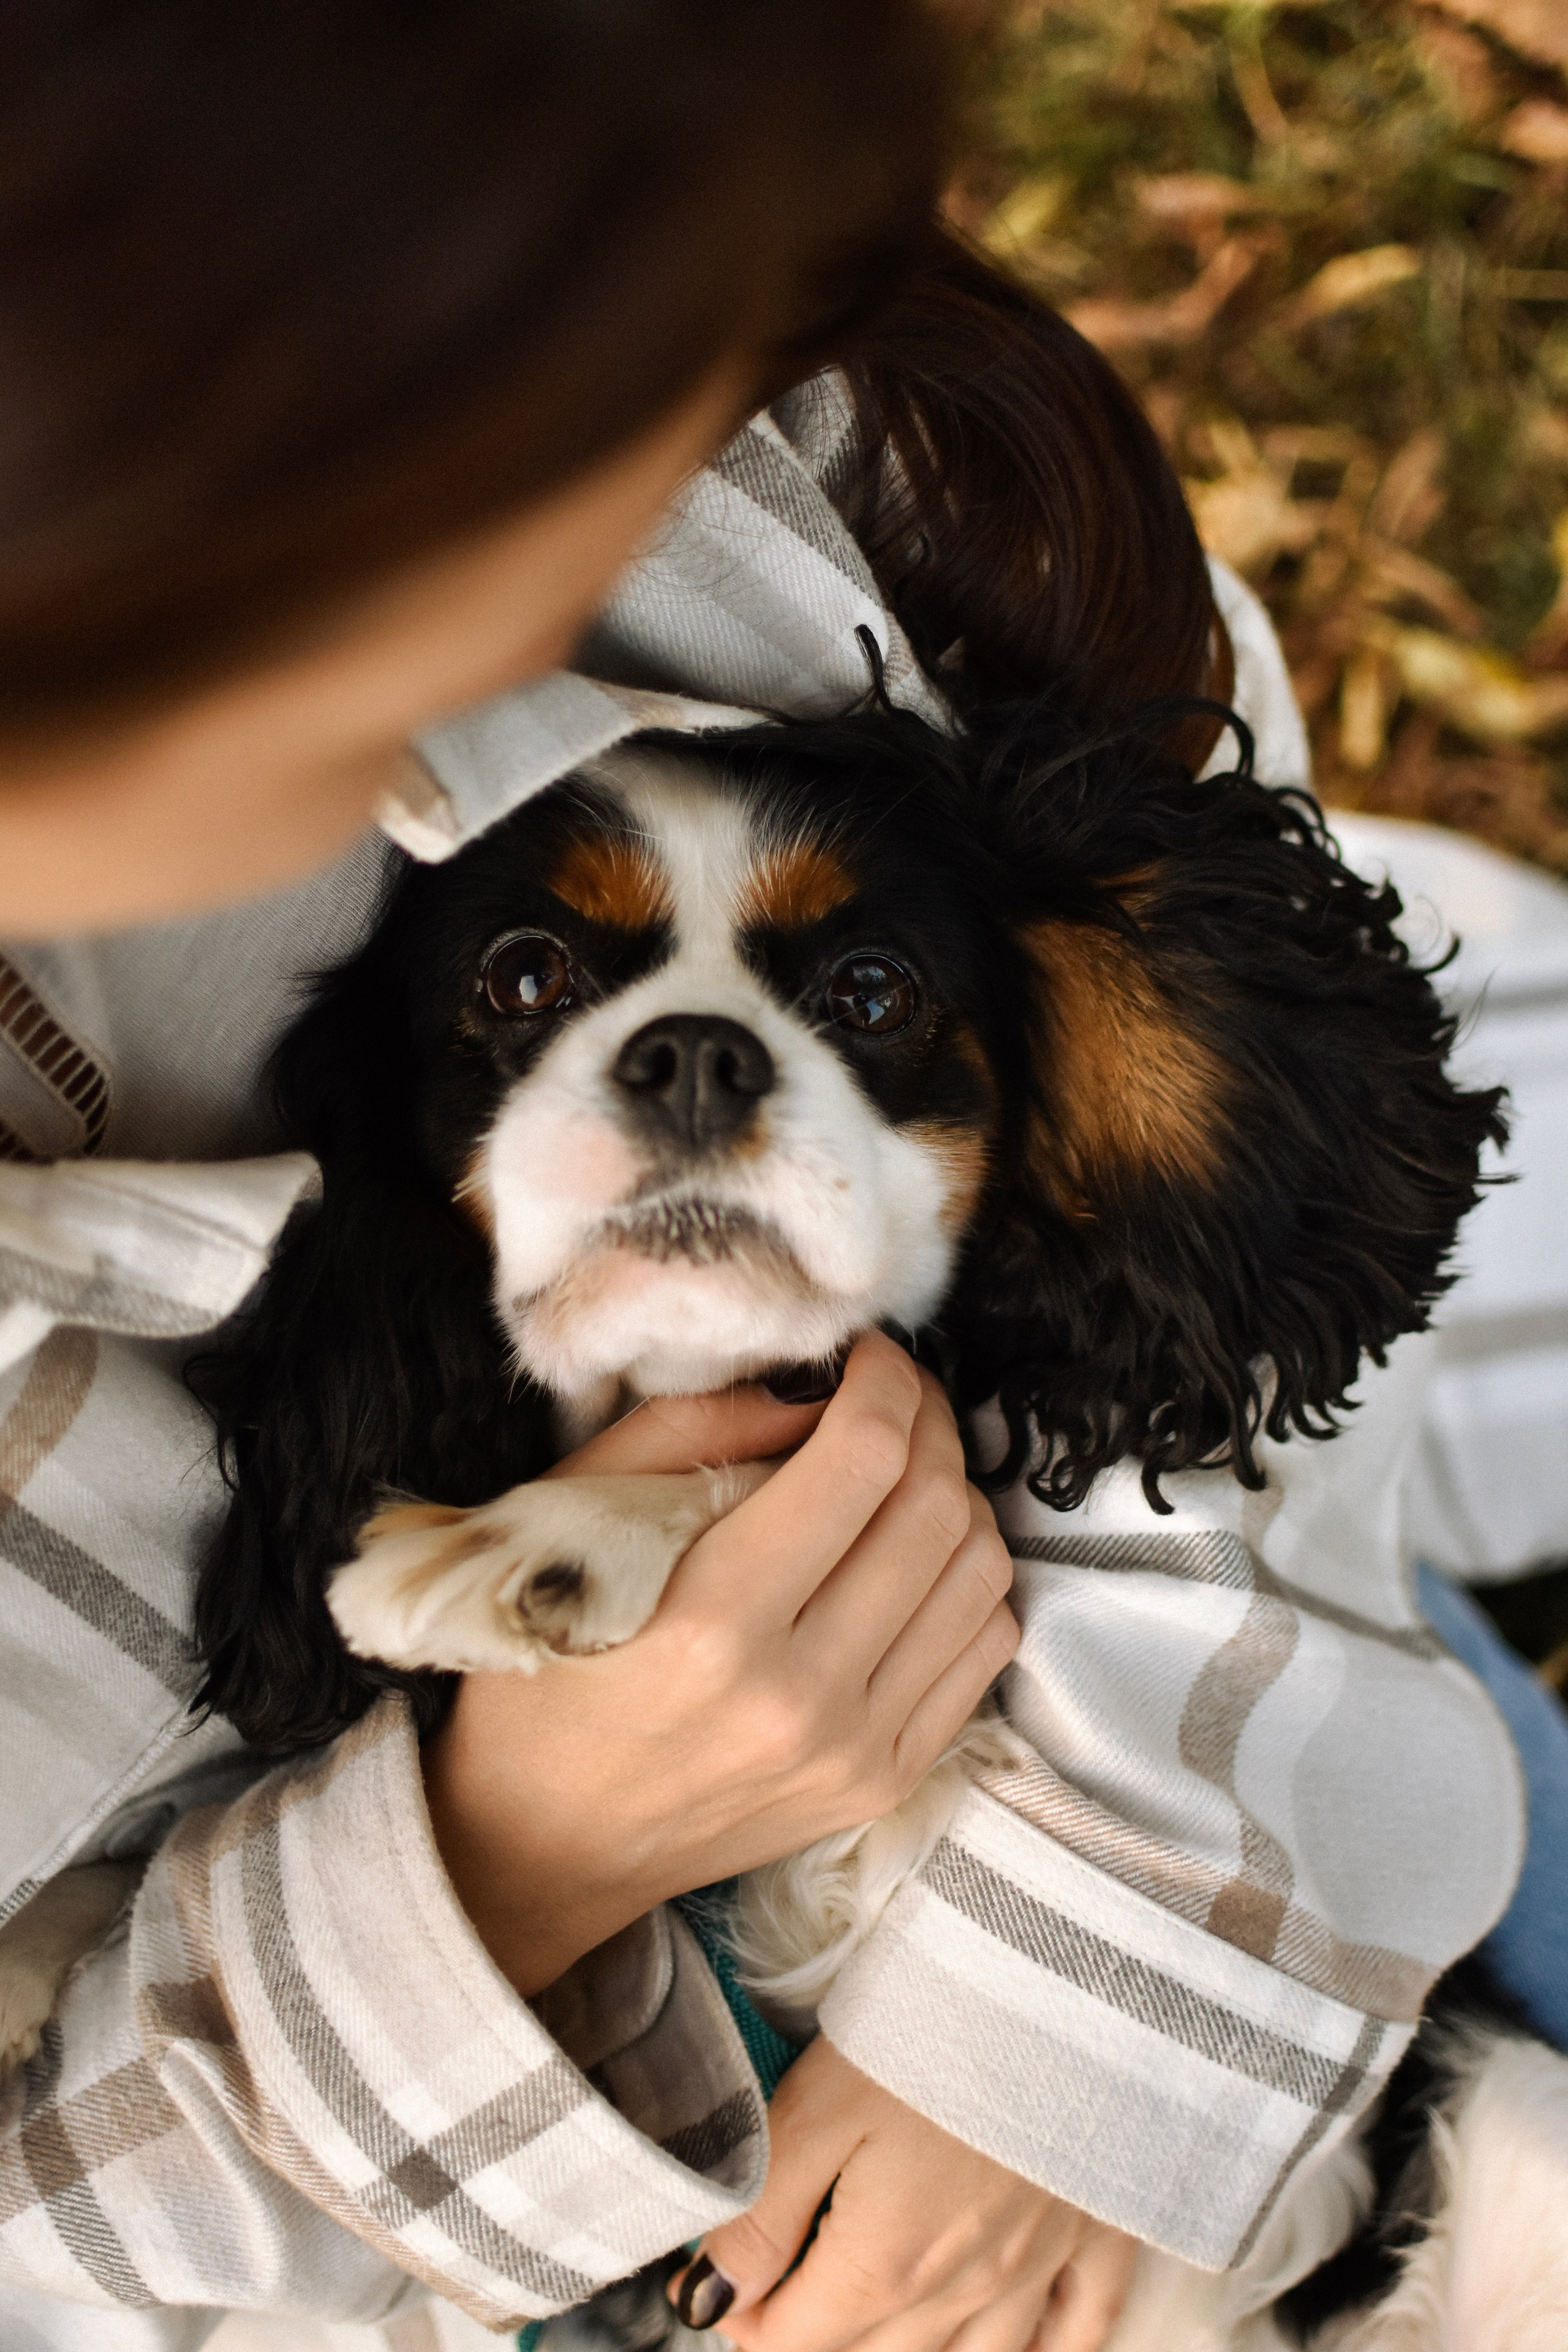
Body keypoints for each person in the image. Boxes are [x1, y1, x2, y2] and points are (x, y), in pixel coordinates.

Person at [0, 10, 1525, 2352]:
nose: (577, 622)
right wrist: (503, 1879)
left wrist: (1060, 2038)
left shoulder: (769, 430)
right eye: (488, 530)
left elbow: (1233, 1241)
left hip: (1243, 1752)